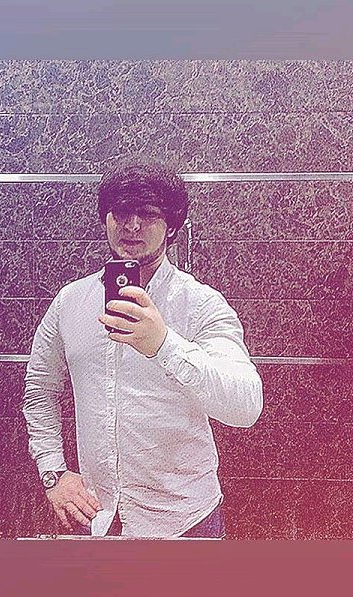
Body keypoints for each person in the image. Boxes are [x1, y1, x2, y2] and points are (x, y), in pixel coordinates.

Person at [22, 161, 263, 538]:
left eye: (148, 214)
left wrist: (163, 344)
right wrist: (53, 471)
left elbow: (245, 405)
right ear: (106, 219)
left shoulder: (200, 304)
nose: (132, 225)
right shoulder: (71, 302)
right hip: (99, 518)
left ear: (172, 226)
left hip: (185, 522)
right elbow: (40, 389)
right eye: (121, 212)